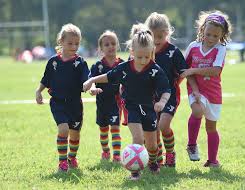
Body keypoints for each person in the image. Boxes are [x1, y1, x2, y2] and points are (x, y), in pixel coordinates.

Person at [83, 29, 171, 180]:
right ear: (132, 51)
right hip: (131, 108)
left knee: (152, 145)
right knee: (137, 139)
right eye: (139, 57)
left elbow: (166, 89)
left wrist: (162, 102)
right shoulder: (124, 68)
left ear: (152, 52)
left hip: (149, 109)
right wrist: (91, 80)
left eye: (147, 56)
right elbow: (108, 76)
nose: (143, 60)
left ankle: (153, 161)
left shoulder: (155, 70)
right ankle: (135, 171)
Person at [35, 23, 90, 172]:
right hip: (58, 103)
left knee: (75, 133)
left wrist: (90, 86)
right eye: (70, 43)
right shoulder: (53, 62)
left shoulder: (80, 63)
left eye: (77, 43)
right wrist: (39, 91)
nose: (74, 46)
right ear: (61, 42)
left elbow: (87, 79)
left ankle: (72, 158)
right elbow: (46, 79)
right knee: (63, 129)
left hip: (75, 105)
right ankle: (62, 162)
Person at [181, 10, 232, 167]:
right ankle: (191, 145)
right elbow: (184, 68)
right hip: (196, 89)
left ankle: (212, 161)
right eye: (208, 34)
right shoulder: (193, 46)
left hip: (213, 93)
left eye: (215, 36)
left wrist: (194, 70)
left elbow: (215, 71)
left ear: (221, 36)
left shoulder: (220, 48)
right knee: (197, 111)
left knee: (211, 127)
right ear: (202, 30)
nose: (211, 39)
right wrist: (194, 88)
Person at [145, 12, 191, 167]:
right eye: (153, 36)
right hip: (150, 97)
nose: (156, 41)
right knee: (153, 128)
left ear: (167, 33)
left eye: (160, 36)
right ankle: (156, 158)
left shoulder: (173, 52)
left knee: (163, 125)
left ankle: (170, 154)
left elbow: (183, 72)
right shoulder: (145, 52)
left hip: (169, 95)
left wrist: (176, 83)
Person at [89, 30, 124, 162]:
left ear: (117, 45)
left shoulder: (122, 64)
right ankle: (105, 151)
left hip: (115, 103)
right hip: (102, 103)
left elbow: (128, 80)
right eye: (107, 44)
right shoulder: (97, 66)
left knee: (115, 128)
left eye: (113, 43)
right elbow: (90, 80)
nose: (111, 46)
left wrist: (123, 88)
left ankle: (116, 155)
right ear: (101, 48)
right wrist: (93, 89)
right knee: (103, 129)